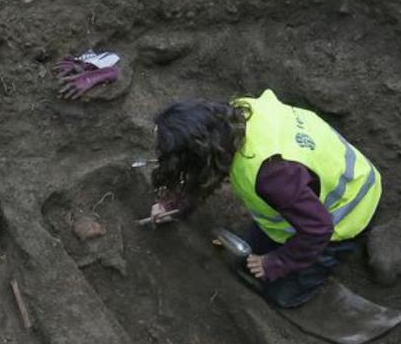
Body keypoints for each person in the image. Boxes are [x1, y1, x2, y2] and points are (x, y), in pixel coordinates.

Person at [147, 89, 381, 307]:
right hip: (317, 181)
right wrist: (174, 205)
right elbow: (209, 169)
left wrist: (275, 263)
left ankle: (314, 276)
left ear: (200, 153)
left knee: (279, 292)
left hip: (348, 206)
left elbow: (319, 228)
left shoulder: (271, 176)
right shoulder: (236, 116)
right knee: (244, 260)